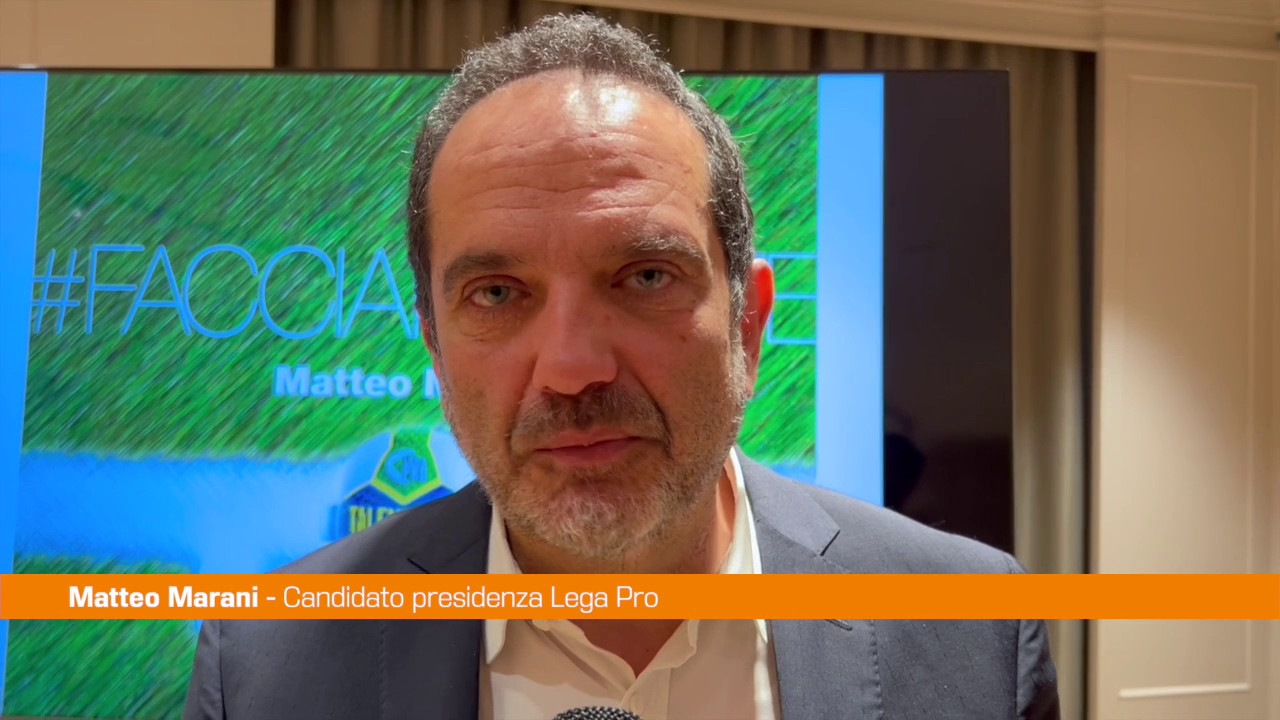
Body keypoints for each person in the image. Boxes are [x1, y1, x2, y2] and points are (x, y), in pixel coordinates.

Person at [183, 13, 1058, 720]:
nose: (571, 369)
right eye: (497, 294)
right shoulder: (266, 659)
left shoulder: (971, 627)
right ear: (437, 351)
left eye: (644, 277)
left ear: (749, 323)